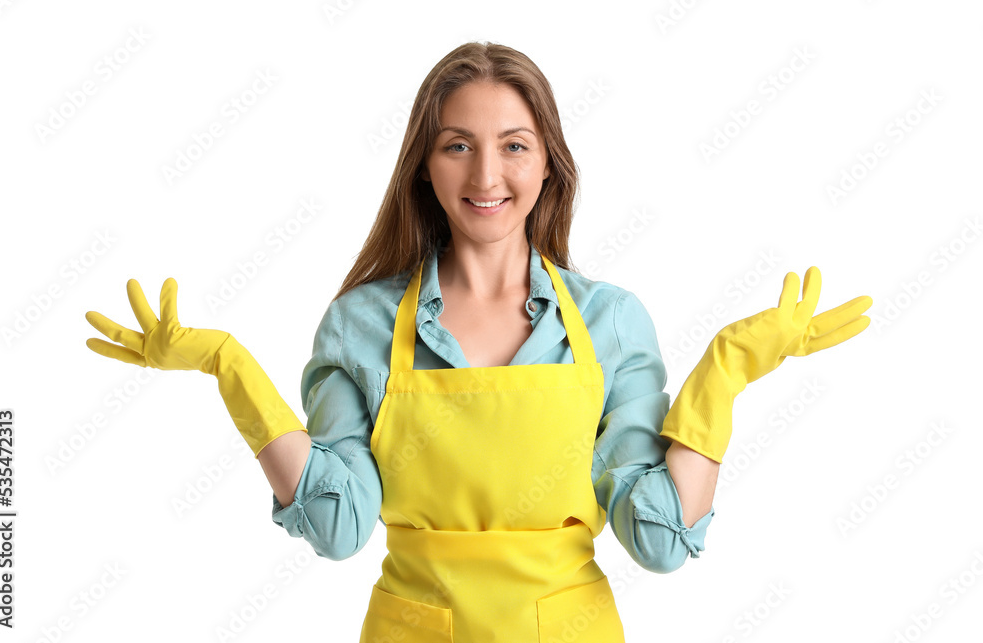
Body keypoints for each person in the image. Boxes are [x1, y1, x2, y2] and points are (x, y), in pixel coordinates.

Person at [85, 41, 872, 642]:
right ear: (424, 167)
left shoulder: (609, 324)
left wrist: (726, 372)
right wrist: (231, 369)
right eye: (457, 143)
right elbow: (337, 529)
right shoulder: (359, 326)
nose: (486, 172)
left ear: (549, 166)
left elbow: (661, 539)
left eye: (515, 144)